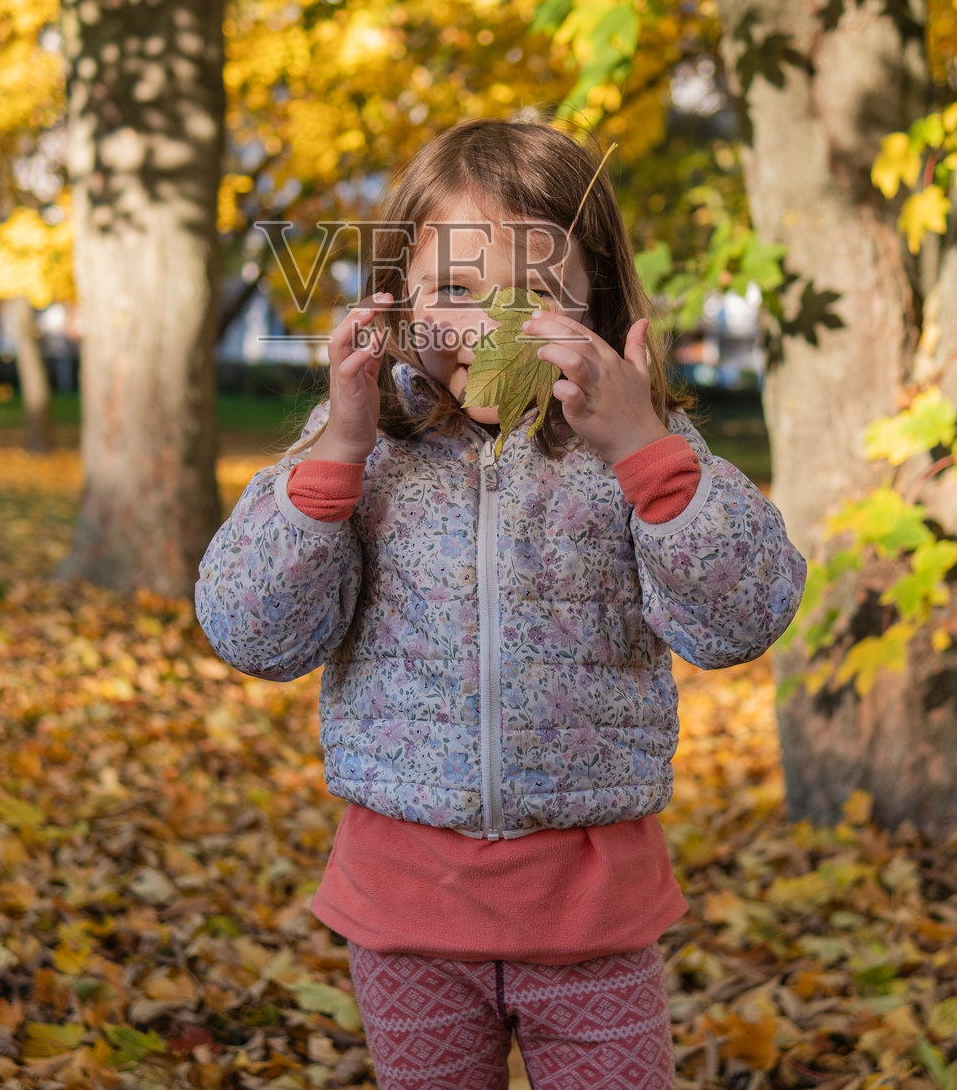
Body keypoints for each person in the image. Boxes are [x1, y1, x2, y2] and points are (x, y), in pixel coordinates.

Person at [195, 118, 806, 1090]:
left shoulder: (632, 447)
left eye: (536, 298)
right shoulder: (359, 443)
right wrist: (333, 462)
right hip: (405, 908)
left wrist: (647, 453)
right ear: (396, 297)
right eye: (454, 291)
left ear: (596, 305)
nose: (493, 328)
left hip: (591, 911)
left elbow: (744, 617)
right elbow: (252, 633)